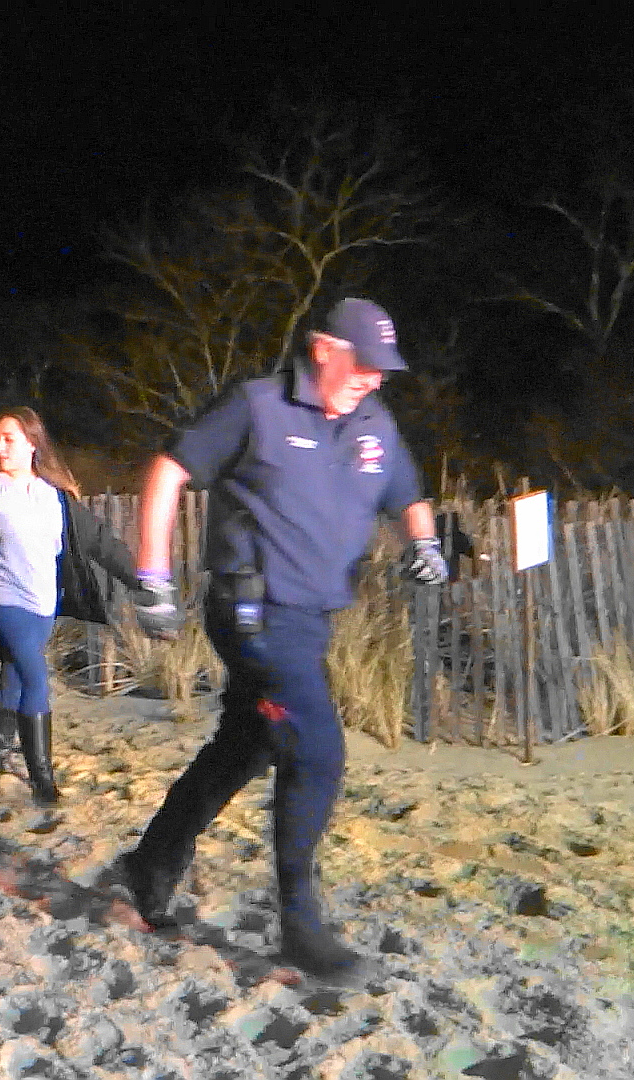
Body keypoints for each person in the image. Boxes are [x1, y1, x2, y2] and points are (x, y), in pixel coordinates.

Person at [122, 298, 448, 982]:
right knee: (318, 751)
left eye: (383, 370)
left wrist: (425, 541)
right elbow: (168, 471)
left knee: (247, 744)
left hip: (312, 620)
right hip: (253, 613)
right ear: (323, 349)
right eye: (362, 364)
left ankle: (150, 864)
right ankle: (299, 925)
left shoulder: (374, 425)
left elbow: (407, 491)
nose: (373, 378)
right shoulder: (258, 405)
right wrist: (151, 575)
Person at [0, 407, 150, 806]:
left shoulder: (56, 496)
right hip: (3, 602)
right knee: (37, 679)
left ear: (32, 444)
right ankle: (43, 780)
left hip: (44, 605)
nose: (0, 446)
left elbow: (99, 542)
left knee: (17, 675)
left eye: (9, 438)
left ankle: (0, 749)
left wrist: (142, 579)